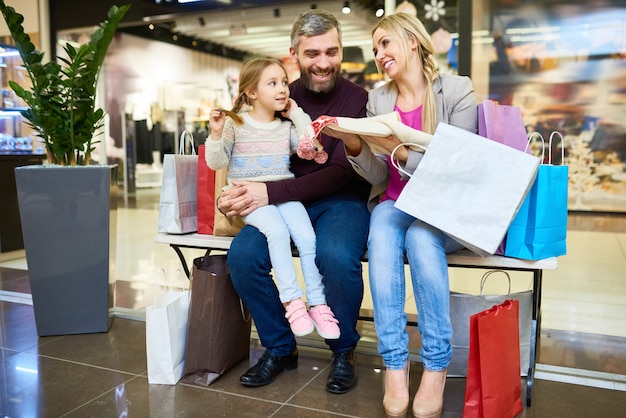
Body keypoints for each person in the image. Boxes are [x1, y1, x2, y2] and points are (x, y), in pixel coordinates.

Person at [216, 10, 371, 393]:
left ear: (341, 52)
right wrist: (230, 194)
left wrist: (267, 192)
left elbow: (339, 171)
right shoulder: (280, 93)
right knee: (243, 258)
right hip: (280, 202)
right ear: (294, 54)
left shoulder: (358, 100)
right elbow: (240, 147)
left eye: (331, 52)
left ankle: (342, 350)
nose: (323, 62)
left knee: (335, 255)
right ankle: (280, 346)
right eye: (312, 53)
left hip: (340, 201)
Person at [336, 13, 477, 418]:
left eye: (385, 44)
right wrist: (356, 146)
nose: (379, 54)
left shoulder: (456, 90)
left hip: (444, 205)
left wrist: (402, 148)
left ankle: (435, 363)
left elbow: (460, 165)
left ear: (412, 41)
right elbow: (381, 176)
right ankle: (394, 363)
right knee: (381, 229)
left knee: (420, 237)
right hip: (396, 202)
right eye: (375, 48)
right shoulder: (378, 100)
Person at [205, 57, 340, 340]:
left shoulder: (286, 127)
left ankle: (317, 302)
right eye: (273, 83)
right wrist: (216, 134)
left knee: (306, 237)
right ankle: (292, 301)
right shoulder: (234, 124)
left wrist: (297, 112)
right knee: (277, 233)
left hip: (283, 193)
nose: (282, 89)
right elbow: (216, 162)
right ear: (251, 92)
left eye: (283, 83)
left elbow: (311, 146)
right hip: (250, 197)